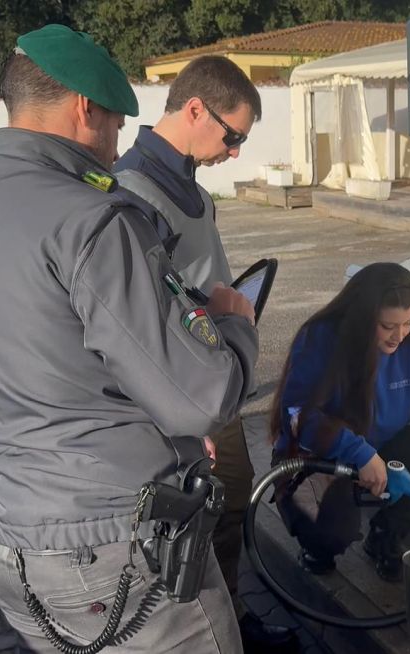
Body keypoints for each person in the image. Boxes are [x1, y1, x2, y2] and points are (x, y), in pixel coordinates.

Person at [0, 25, 257, 653]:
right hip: (119, 551)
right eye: (116, 125)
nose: (116, 147)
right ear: (85, 108)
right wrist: (235, 327)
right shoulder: (93, 220)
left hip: (8, 545)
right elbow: (200, 398)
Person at [113, 57, 297, 653]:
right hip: (181, 393)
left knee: (232, 497)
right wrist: (177, 423)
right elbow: (131, 325)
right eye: (232, 135)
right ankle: (205, 632)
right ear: (195, 109)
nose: (235, 152)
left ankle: (231, 619)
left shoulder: (185, 184)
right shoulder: (131, 193)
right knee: (196, 519)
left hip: (214, 379)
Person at [270, 262, 410, 582]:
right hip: (317, 454)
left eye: (408, 322)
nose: (399, 335)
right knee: (330, 530)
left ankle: (385, 533)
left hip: (379, 447)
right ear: (363, 318)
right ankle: (317, 547)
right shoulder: (320, 338)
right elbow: (297, 416)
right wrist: (359, 453)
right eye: (388, 326)